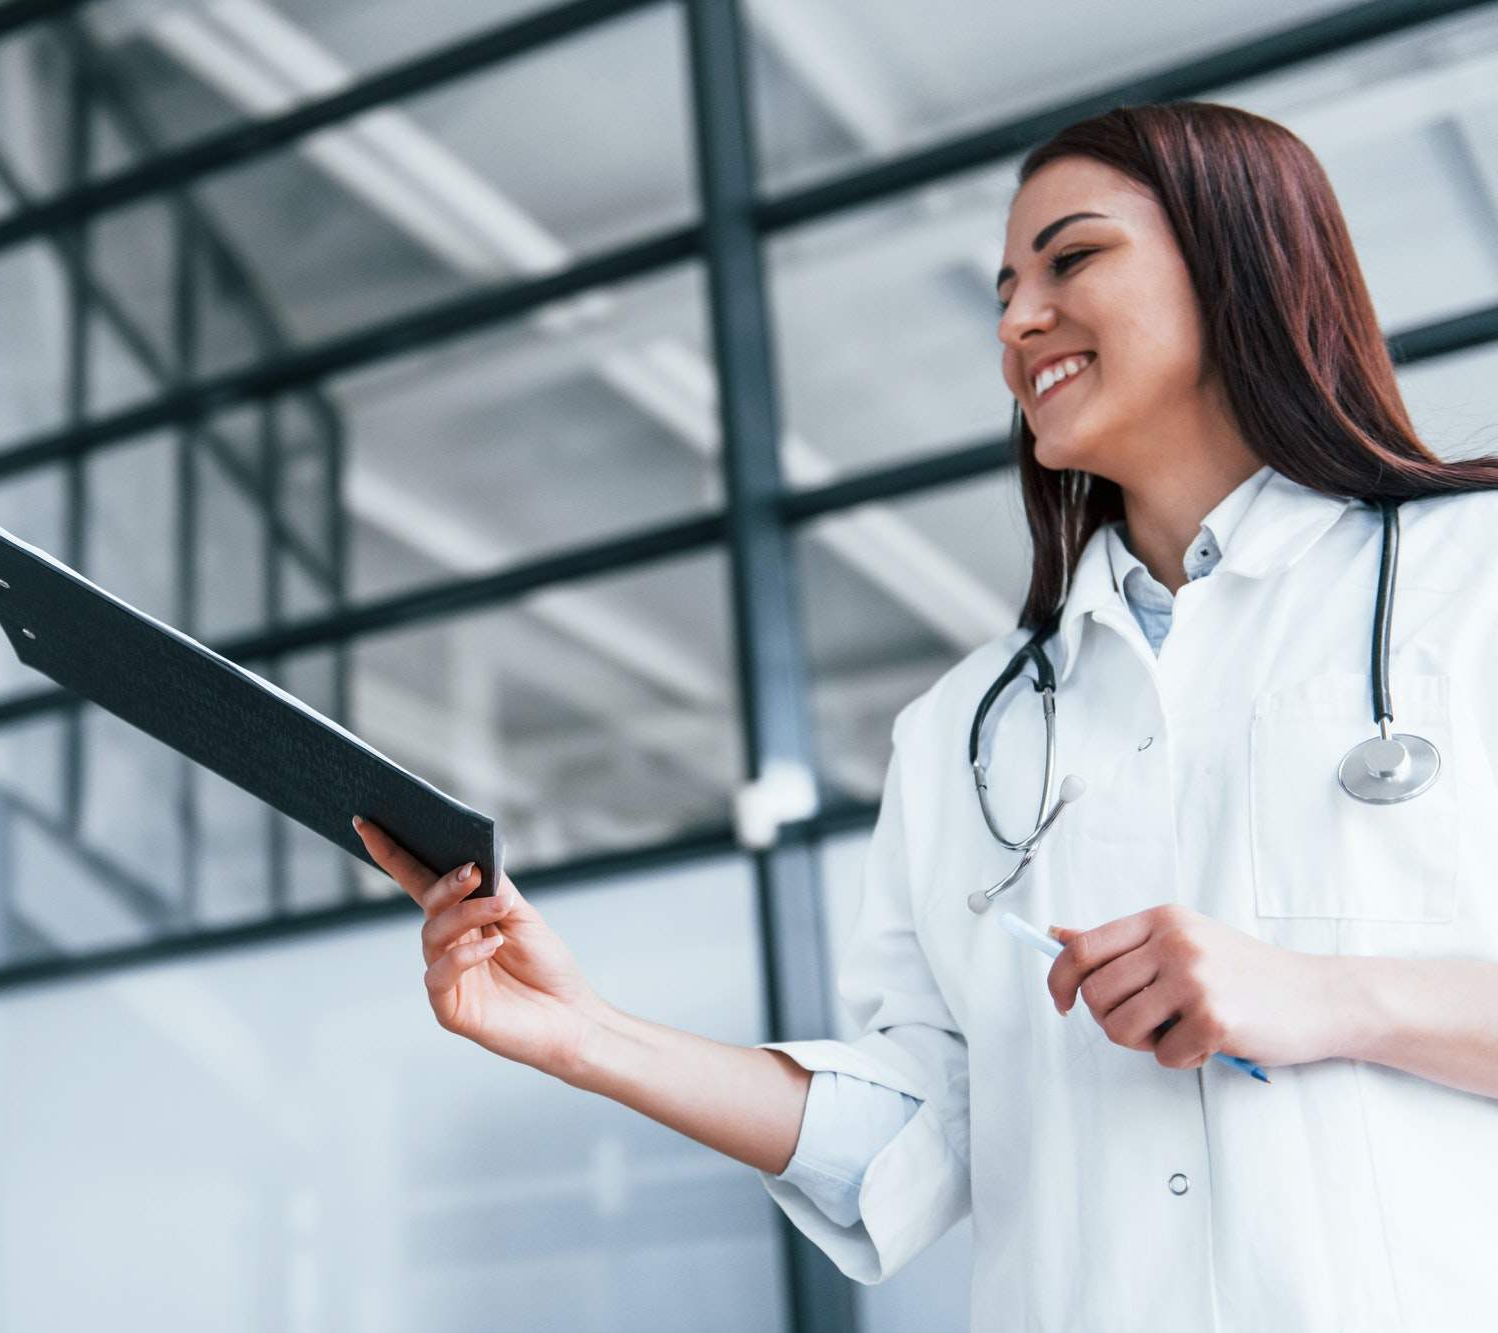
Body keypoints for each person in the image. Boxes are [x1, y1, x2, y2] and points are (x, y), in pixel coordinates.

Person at [352, 101, 1498, 1329]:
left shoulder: (1468, 577)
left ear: (1240, 260)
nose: (1013, 321)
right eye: (1006, 286)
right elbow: (927, 1122)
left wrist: (1330, 997)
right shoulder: (962, 729)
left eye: (1072, 258)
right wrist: (582, 1034)